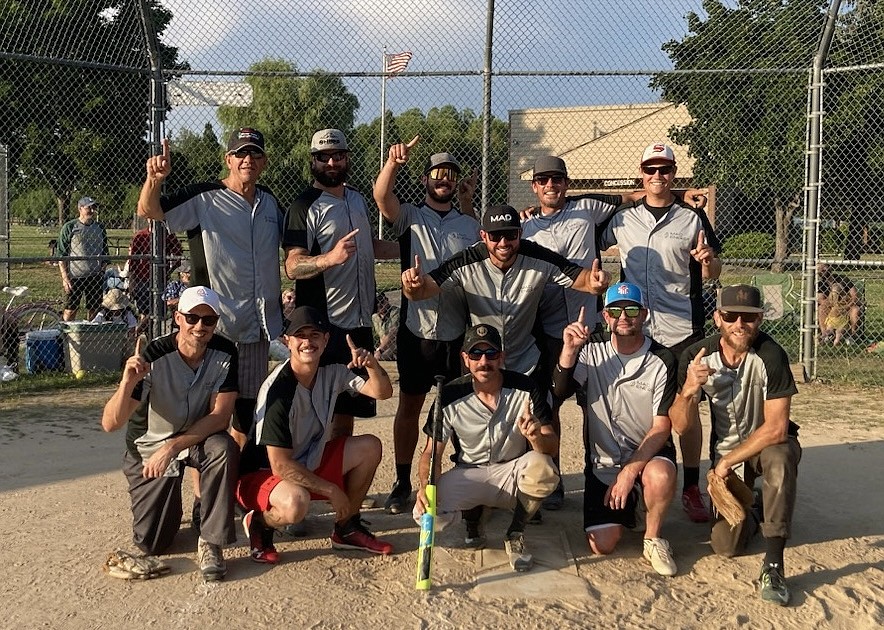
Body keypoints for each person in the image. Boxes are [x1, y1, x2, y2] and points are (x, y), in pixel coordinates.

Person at [137, 129, 292, 452]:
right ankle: (203, 495)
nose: (247, 159)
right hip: (213, 327)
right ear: (228, 159)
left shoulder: (269, 202)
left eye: (254, 154)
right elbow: (150, 211)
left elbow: (292, 247)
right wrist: (155, 179)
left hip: (257, 328)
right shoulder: (205, 196)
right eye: (240, 154)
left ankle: (235, 487)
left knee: (246, 410)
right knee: (207, 414)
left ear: (263, 161)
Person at [600, 142, 722, 524]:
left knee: (684, 412)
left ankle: (689, 484)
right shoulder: (622, 219)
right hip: (635, 327)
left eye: (664, 170)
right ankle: (634, 476)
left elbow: (714, 269)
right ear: (641, 174)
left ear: (674, 173)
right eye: (651, 170)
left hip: (680, 328)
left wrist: (707, 263)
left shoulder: (691, 218)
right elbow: (587, 233)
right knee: (636, 406)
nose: (658, 176)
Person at [670, 284, 801, 606]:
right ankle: (755, 510)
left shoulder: (771, 355)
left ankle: (773, 564)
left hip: (762, 449)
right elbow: (679, 425)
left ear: (760, 319)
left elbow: (776, 429)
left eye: (749, 317)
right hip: (725, 454)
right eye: (731, 316)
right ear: (717, 318)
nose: (739, 324)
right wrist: (688, 390)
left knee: (779, 458)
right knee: (726, 546)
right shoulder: (696, 355)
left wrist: (727, 462)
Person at [100, 286, 239, 582]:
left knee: (223, 447)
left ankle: (210, 540)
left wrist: (173, 448)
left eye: (209, 320)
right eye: (192, 317)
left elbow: (220, 416)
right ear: (178, 318)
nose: (200, 326)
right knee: (152, 543)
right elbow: (111, 424)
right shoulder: (154, 354)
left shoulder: (225, 352)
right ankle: (170, 501)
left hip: (191, 441)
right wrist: (127, 383)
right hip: (151, 446)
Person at [235, 306, 395, 563]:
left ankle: (346, 528)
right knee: (296, 503)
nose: (308, 342)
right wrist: (331, 490)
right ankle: (260, 523)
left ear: (326, 339)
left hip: (305, 461)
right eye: (300, 335)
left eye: (315, 335)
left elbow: (382, 392)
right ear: (287, 341)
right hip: (262, 475)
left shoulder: (332, 371)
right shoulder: (279, 390)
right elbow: (279, 465)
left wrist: (372, 365)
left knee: (369, 446)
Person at [373, 137, 479, 514]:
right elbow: (383, 198)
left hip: (456, 330)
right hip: (416, 330)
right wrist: (392, 164)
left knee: (458, 408)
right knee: (410, 406)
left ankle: (460, 476)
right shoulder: (410, 217)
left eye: (450, 174)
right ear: (425, 179)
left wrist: (469, 203)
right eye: (437, 173)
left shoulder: (469, 224)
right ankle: (402, 481)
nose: (444, 179)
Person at [402, 204, 610, 384]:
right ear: (483, 236)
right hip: (483, 361)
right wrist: (412, 285)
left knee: (542, 419)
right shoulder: (466, 260)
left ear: (520, 233)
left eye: (510, 235)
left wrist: (596, 282)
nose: (503, 243)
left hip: (526, 359)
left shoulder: (538, 256)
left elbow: (583, 280)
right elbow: (421, 291)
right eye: (495, 236)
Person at [552, 283, 679, 576]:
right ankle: (634, 501)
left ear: (644, 314)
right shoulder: (591, 349)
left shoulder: (663, 359)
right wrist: (569, 351)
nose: (624, 316)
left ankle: (653, 538)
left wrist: (629, 472)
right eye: (615, 311)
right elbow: (559, 391)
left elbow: (661, 427)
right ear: (605, 316)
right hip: (604, 461)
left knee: (659, 475)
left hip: (648, 456)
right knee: (602, 545)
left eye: (632, 309)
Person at [413, 324, 559, 572]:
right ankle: (473, 518)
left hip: (511, 471)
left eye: (491, 354)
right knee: (425, 514)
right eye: (475, 354)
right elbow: (431, 452)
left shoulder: (527, 387)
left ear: (501, 356)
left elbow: (551, 446)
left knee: (543, 468)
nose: (484, 361)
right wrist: (426, 487)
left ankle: (515, 533)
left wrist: (535, 437)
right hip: (469, 471)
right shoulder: (448, 395)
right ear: (465, 359)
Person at [285, 128, 399, 439]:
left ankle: (340, 483)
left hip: (360, 324)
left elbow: (369, 247)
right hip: (326, 325)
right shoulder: (304, 205)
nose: (332, 162)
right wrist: (328, 258)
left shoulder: (358, 199)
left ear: (347, 158)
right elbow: (293, 265)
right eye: (324, 157)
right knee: (318, 414)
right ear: (313, 161)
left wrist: (414, 248)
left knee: (348, 414)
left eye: (338, 156)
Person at [58, 196, 109, 321]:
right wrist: (65, 278)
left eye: (93, 208)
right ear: (80, 209)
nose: (91, 210)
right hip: (75, 276)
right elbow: (62, 255)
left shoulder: (100, 228)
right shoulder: (70, 227)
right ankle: (66, 336)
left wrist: (102, 271)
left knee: (94, 309)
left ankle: (90, 337)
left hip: (95, 276)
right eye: (88, 208)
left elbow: (105, 252)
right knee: (71, 309)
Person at [127, 224, 183, 331]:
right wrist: (132, 281)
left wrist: (168, 270)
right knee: (145, 311)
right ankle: (143, 334)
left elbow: (178, 254)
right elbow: (133, 262)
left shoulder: (168, 235)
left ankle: (151, 332)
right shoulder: (141, 236)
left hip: (161, 279)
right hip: (142, 279)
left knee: (159, 310)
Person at [817, 263, 861, 344]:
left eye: (824, 267)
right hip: (832, 309)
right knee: (821, 308)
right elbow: (821, 300)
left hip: (847, 306)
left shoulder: (843, 279)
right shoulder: (820, 284)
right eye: (819, 268)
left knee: (856, 309)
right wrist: (835, 307)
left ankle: (852, 335)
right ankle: (825, 334)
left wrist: (846, 306)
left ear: (829, 267)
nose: (822, 269)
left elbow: (855, 296)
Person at [371, 292, 399, 361]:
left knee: (379, 358)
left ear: (387, 300)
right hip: (385, 347)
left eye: (381, 302)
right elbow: (382, 337)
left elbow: (392, 332)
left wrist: (380, 350)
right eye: (376, 302)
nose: (379, 305)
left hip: (397, 344)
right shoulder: (375, 317)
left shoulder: (395, 312)